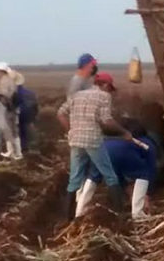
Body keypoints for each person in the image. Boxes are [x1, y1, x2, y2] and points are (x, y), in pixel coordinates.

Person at [57, 72, 132, 220]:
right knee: (110, 175)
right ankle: (120, 215)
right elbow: (107, 121)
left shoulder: (77, 95)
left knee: (75, 178)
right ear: (104, 85)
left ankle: (68, 217)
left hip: (76, 140)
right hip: (92, 140)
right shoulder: (104, 96)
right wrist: (124, 133)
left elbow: (60, 113)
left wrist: (70, 130)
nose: (109, 91)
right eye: (109, 88)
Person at [82, 118, 158, 220]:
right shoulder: (146, 143)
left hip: (100, 150)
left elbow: (116, 172)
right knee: (143, 174)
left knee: (93, 178)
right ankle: (138, 214)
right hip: (121, 152)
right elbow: (150, 171)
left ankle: (80, 212)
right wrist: (147, 193)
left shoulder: (112, 139)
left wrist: (126, 187)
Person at [0, 62, 22, 160]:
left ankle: (12, 152)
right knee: (11, 130)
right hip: (11, 108)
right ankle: (16, 152)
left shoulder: (4, 81)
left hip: (6, 108)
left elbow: (5, 96)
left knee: (7, 129)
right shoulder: (9, 80)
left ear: (0, 71)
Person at [17, 84, 39, 153]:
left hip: (18, 117)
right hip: (28, 117)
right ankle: (33, 149)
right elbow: (35, 107)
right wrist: (34, 116)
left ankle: (22, 149)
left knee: (20, 134)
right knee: (30, 133)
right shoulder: (31, 93)